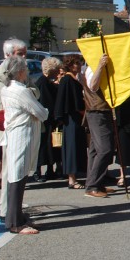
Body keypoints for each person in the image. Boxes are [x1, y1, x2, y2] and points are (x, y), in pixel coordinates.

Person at [1, 56, 48, 234]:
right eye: (26, 69)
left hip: (15, 134)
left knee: (16, 176)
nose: (27, 72)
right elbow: (41, 113)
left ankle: (18, 218)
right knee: (18, 177)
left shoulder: (7, 89)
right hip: (22, 135)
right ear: (20, 72)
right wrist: (40, 113)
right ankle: (15, 222)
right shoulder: (21, 91)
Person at [0, 38, 32, 218]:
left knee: (18, 169)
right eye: (20, 53)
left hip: (23, 125)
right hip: (8, 126)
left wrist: (26, 95)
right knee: (10, 170)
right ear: (7, 54)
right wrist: (26, 96)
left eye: (25, 52)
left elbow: (34, 91)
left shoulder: (21, 71)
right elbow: (2, 105)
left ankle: (12, 207)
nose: (24, 57)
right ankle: (7, 210)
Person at [82, 54, 117, 198]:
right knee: (105, 149)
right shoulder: (92, 68)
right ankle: (92, 186)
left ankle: (97, 183)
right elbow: (93, 86)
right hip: (97, 111)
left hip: (101, 111)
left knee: (95, 150)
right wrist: (101, 66)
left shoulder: (93, 68)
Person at [54, 55, 87, 189]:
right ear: (70, 65)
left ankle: (74, 177)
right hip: (72, 119)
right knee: (72, 148)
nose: (78, 66)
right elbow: (68, 101)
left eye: (79, 63)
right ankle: (72, 180)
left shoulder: (73, 79)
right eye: (76, 64)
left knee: (76, 146)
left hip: (76, 119)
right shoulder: (67, 80)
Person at [33, 57, 62, 182]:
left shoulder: (44, 81)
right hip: (45, 120)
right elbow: (47, 102)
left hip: (46, 119)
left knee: (49, 146)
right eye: (57, 69)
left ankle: (47, 170)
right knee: (44, 146)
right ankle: (38, 172)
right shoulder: (43, 83)